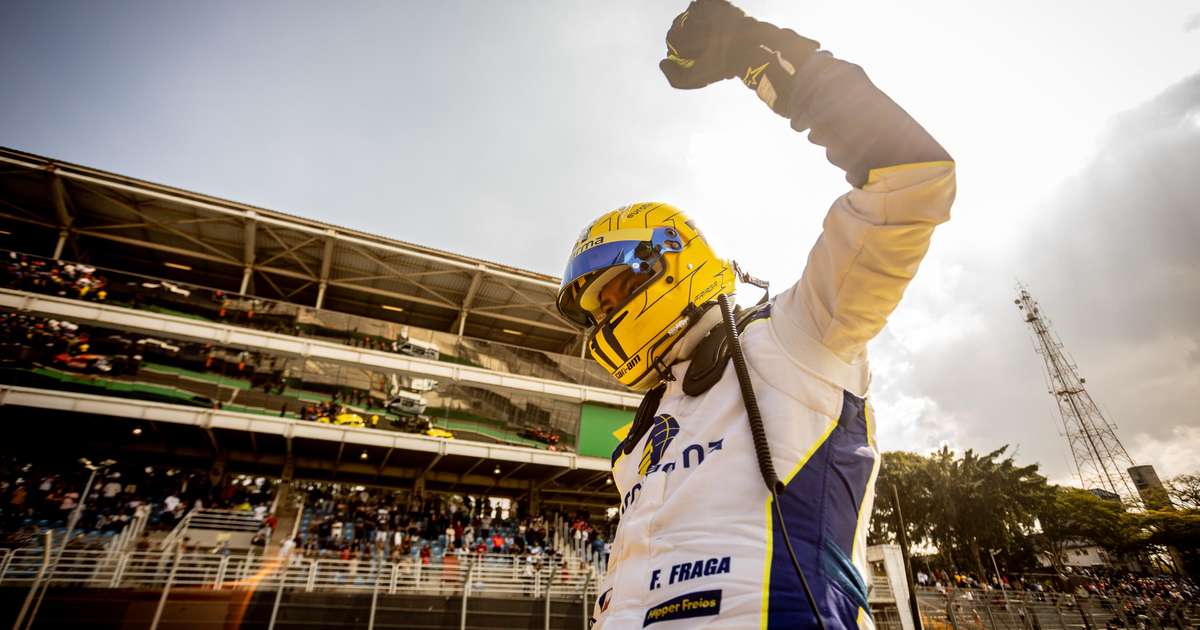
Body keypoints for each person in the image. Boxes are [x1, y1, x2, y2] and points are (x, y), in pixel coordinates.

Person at [555, 1, 954, 628]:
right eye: (601, 309)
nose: (611, 316)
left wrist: (760, 56)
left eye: (619, 288)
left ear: (674, 260)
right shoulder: (636, 439)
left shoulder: (800, 333)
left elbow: (911, 182)